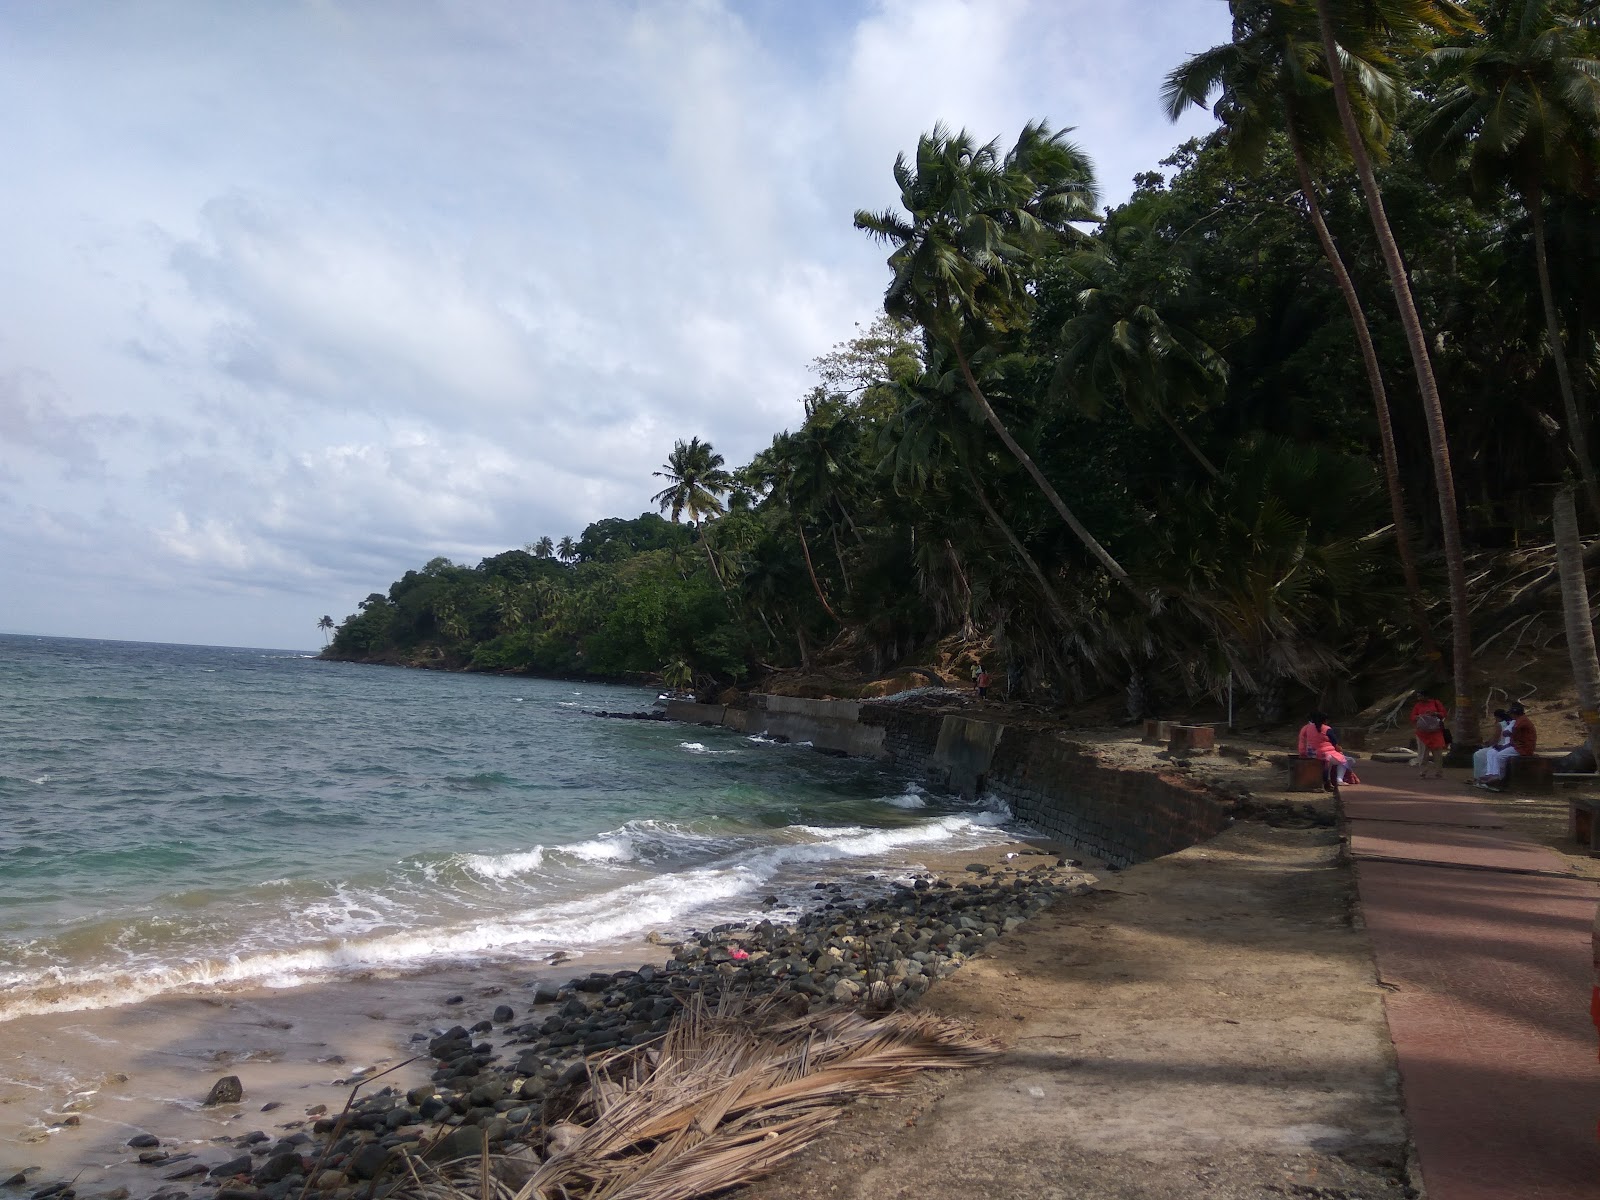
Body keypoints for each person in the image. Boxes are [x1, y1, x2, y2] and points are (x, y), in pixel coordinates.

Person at [1473, 703, 1535, 787]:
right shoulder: (1518, 720)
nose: (1511, 715)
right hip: (1517, 746)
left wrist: (1507, 734)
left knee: (1500, 756)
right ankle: (1492, 774)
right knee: (1494, 753)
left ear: (1515, 713)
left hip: (1523, 748)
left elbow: (1508, 733)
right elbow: (1513, 740)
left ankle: (1499, 778)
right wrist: (1503, 747)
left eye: (1511, 713)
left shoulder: (1521, 721)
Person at [1297, 711, 1350, 788]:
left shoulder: (1307, 728)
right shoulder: (1327, 729)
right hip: (1323, 754)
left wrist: (1302, 752)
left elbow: (1303, 741)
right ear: (1325, 720)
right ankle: (1339, 780)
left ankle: (1327, 780)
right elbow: (1335, 744)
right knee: (1344, 760)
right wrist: (1340, 750)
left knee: (1330, 762)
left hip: (1311, 753)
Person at [1409, 692, 1449, 779]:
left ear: (1426, 696)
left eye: (1421, 696)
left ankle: (1439, 772)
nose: (1419, 698)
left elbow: (1444, 713)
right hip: (1422, 734)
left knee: (1438, 754)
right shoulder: (1418, 705)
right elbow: (1412, 716)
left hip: (1436, 733)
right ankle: (1423, 771)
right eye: (1418, 696)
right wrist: (1418, 717)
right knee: (1423, 754)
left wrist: (1435, 713)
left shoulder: (1435, 703)